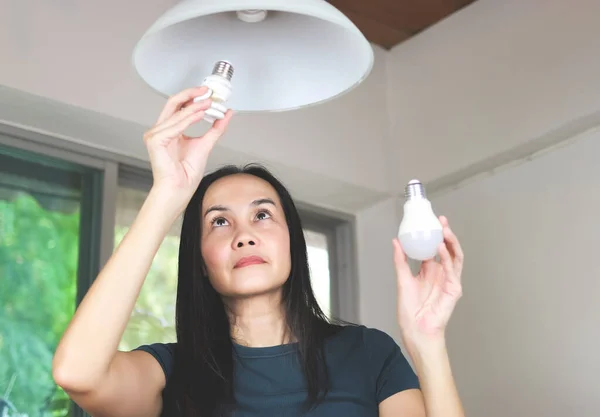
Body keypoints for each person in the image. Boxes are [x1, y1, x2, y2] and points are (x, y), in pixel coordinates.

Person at [52, 86, 466, 417]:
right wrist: (167, 194)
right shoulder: (172, 372)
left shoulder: (368, 354)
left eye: (263, 215)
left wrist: (427, 342)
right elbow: (77, 373)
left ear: (292, 242)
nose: (243, 235)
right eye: (219, 222)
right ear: (199, 258)